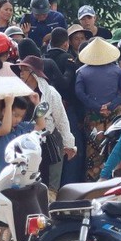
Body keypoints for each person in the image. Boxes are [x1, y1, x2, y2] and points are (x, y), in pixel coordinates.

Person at [73, 35, 121, 177]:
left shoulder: (81, 72)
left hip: (93, 117)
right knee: (116, 148)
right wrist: (112, 105)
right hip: (115, 117)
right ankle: (115, 179)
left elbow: (79, 93)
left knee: (93, 152)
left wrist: (97, 107)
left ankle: (93, 182)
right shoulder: (117, 70)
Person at [18, 54, 76, 189]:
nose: (21, 74)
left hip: (47, 144)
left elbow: (61, 120)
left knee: (49, 185)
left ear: (33, 73)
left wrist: (69, 144)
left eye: (24, 70)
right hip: (23, 143)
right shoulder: (18, 93)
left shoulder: (51, 93)